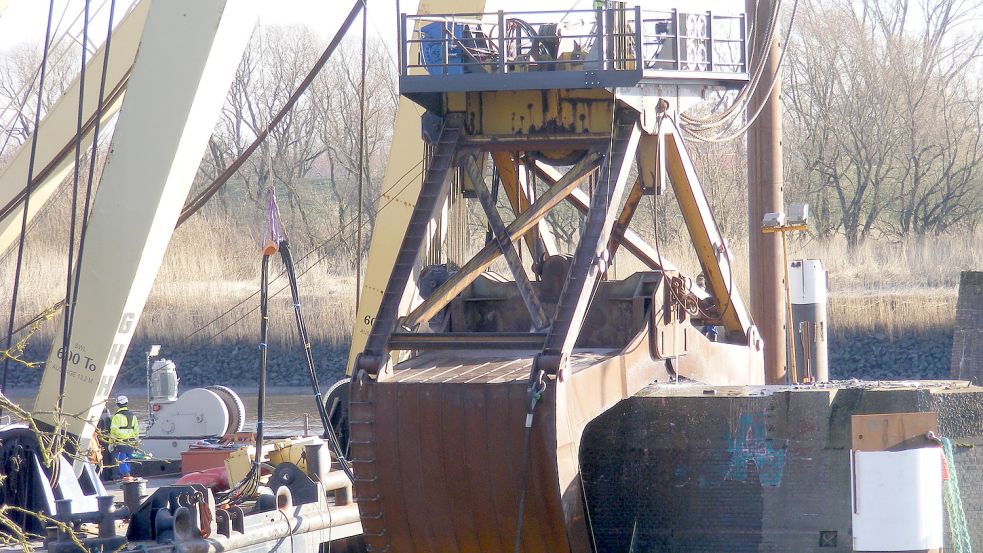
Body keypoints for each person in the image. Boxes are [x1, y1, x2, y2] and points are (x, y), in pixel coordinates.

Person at [109, 395, 140, 480]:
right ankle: (128, 478)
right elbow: (136, 431)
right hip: (131, 442)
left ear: (117, 404)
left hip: (120, 443)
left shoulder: (117, 417)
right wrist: (136, 443)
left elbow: (113, 431)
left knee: (121, 461)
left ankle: (127, 478)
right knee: (127, 460)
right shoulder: (133, 416)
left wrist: (111, 443)